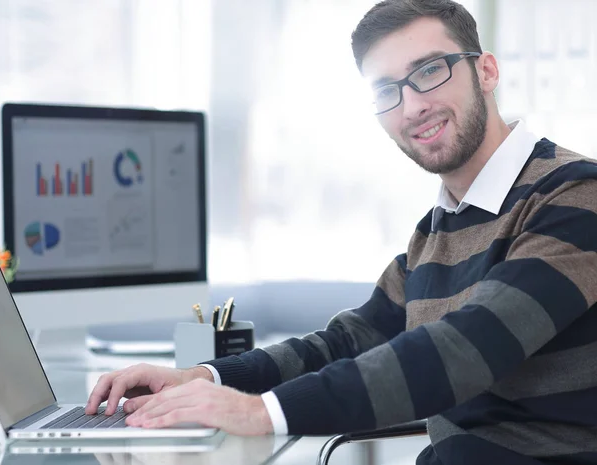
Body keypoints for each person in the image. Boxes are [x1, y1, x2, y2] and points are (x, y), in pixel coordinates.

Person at [86, 0, 597, 463]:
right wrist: (206, 377)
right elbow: (347, 342)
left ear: (486, 71)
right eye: (386, 90)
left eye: (430, 71)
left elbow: (466, 351)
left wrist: (261, 413)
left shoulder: (575, 196)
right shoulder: (437, 230)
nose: (412, 106)